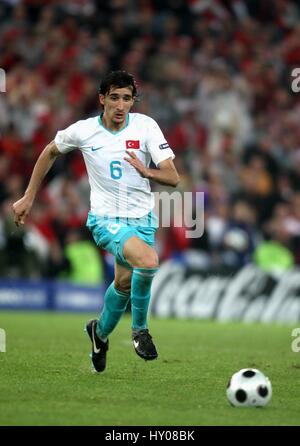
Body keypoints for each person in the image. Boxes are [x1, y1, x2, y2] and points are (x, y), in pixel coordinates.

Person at [12, 70, 180, 373]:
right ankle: (139, 331)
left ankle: (99, 334)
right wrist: (29, 196)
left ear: (132, 102)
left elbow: (173, 177)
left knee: (124, 282)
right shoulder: (84, 131)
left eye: (127, 99)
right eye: (114, 97)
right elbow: (50, 152)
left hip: (143, 219)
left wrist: (147, 172)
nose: (120, 105)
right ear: (102, 99)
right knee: (148, 261)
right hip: (105, 219)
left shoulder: (146, 127)